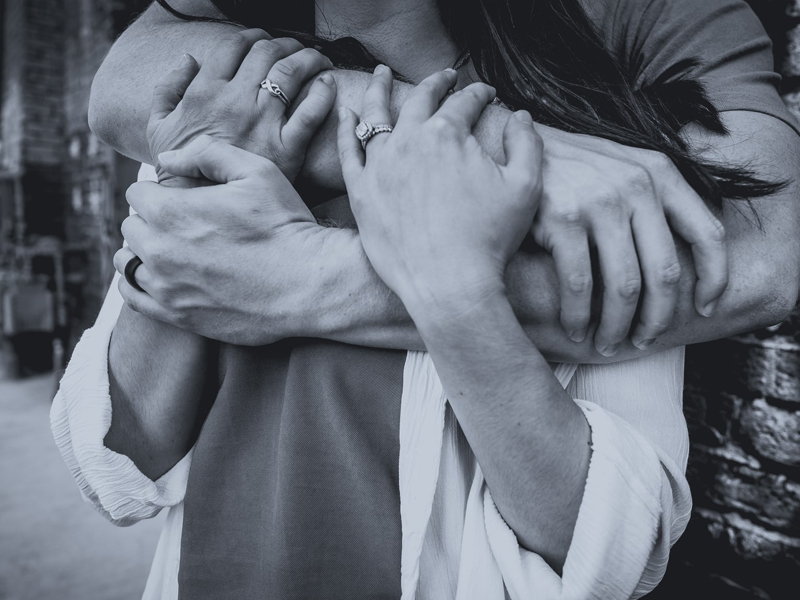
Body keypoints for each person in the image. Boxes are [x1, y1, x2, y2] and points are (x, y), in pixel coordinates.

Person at [52, 0, 800, 598]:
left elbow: (613, 547)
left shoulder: (595, 128)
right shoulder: (237, 91)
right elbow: (113, 464)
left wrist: (432, 289)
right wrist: (196, 177)